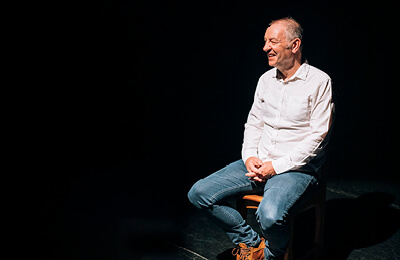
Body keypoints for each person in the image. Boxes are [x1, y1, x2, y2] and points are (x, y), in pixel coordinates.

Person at [188, 17, 334, 260]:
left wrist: (275, 167)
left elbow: (318, 137)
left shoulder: (319, 82)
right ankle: (251, 242)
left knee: (270, 215)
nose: (265, 47)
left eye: (273, 41)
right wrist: (250, 157)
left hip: (296, 169)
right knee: (199, 193)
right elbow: (254, 122)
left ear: (294, 45)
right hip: (259, 161)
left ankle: (271, 255)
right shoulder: (265, 80)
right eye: (265, 41)